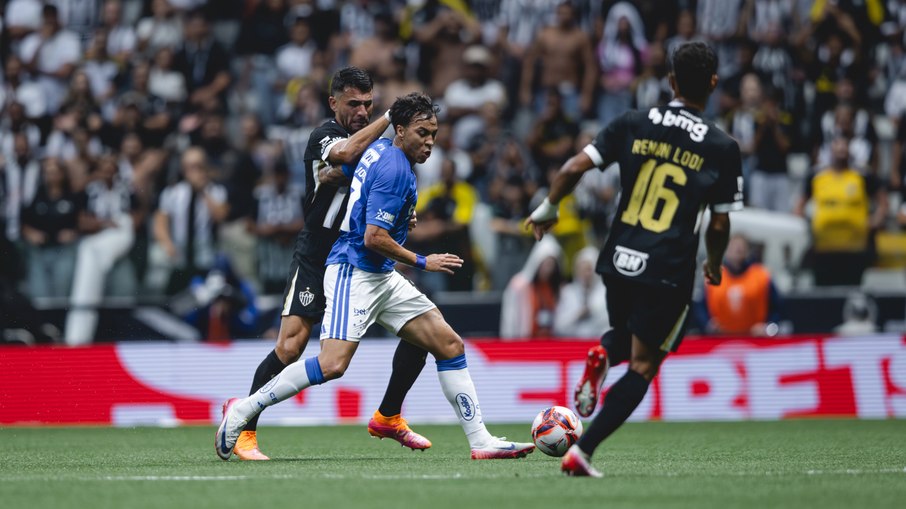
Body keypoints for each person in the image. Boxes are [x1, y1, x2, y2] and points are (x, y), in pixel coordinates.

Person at [217, 92, 535, 461]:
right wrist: (422, 260)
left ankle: (480, 440)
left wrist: (398, 213)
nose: (430, 141)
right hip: (354, 271)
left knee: (449, 345)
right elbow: (373, 237)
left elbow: (347, 176)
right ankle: (242, 410)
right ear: (399, 130)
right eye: (421, 133)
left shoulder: (379, 151)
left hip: (380, 275)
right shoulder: (395, 169)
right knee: (332, 364)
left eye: (433, 133)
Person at [526, 42, 743, 476]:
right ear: (714, 84)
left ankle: (602, 358)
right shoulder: (721, 146)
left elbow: (572, 169)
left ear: (671, 82)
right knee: (645, 363)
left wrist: (548, 208)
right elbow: (719, 224)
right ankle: (581, 452)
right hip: (668, 267)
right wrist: (715, 264)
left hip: (618, 260)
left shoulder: (632, 122)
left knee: (624, 337)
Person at [225, 68, 431, 461]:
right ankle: (244, 428)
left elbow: (392, 189)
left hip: (357, 260)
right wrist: (390, 116)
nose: (362, 111)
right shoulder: (325, 136)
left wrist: (407, 214)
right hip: (318, 255)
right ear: (333, 102)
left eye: (369, 104)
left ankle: (389, 414)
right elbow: (347, 155)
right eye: (354, 104)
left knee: (420, 331)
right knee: (291, 345)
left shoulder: (384, 146)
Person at [694, 234, 783, 336]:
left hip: (755, 337)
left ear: (747, 251)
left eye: (741, 248)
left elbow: (777, 307)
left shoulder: (761, 275)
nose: (737, 250)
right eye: (733, 247)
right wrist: (708, 324)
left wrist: (768, 327)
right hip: (721, 337)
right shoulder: (714, 275)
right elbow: (700, 306)